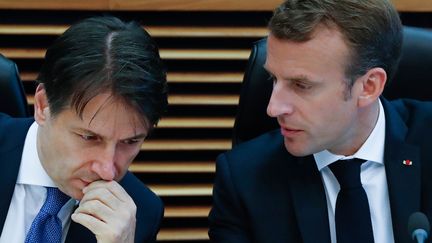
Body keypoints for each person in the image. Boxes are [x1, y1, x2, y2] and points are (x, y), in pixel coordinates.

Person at [209, 0, 432, 242]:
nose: (273, 108)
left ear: (368, 87)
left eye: (301, 85)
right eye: (273, 78)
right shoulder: (244, 180)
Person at [0, 16, 168, 243]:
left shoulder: (141, 214)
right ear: (43, 106)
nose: (107, 171)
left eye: (129, 142)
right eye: (89, 137)